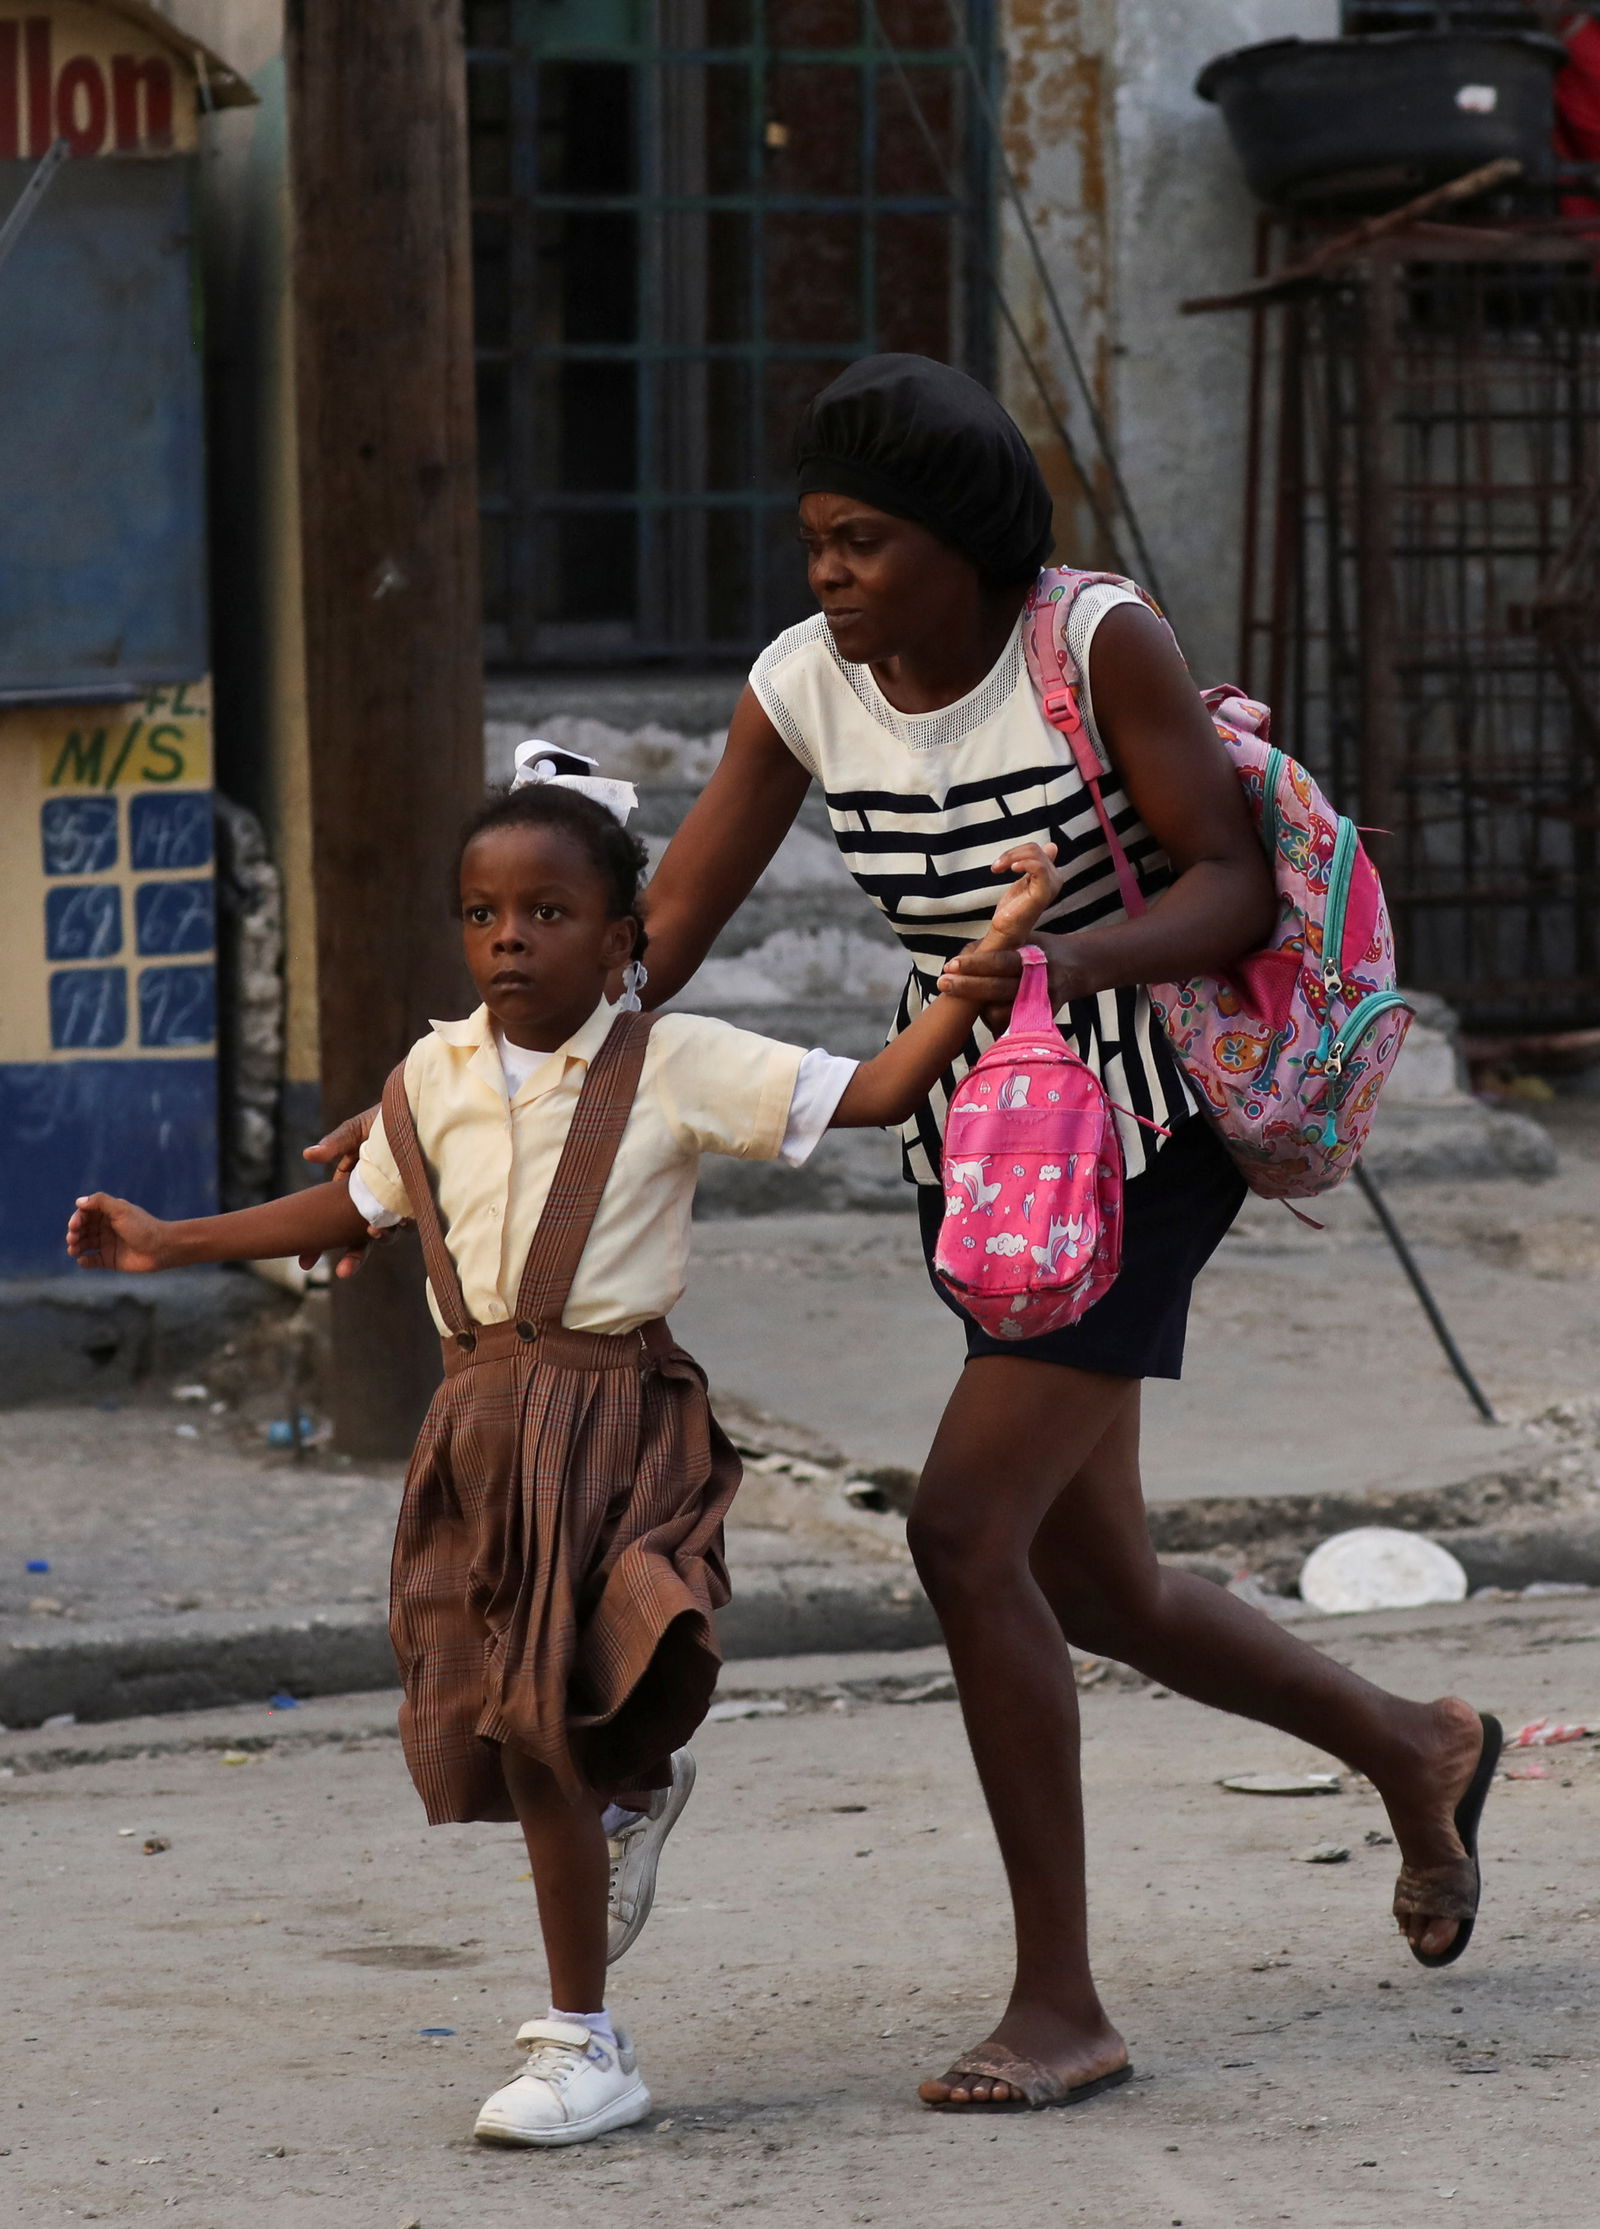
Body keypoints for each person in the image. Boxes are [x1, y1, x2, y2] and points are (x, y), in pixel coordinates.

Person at [306, 356, 1500, 2117]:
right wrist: (451, 1087)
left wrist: (1069, 962)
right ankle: (1420, 1745)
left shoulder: (1093, 645)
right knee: (1090, 1574)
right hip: (983, 1135)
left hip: (1141, 1123)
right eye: (814, 543)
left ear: (963, 543)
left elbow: (1231, 877)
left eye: (862, 542)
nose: (830, 577)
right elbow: (665, 933)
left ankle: (1063, 2000)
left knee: (962, 1530)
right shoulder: (801, 689)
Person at [66, 770, 1065, 2148]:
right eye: (482, 914)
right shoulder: (431, 1077)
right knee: (528, 1712)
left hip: (620, 1422)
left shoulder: (677, 1059)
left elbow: (888, 1090)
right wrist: (169, 1241)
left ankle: (583, 2038)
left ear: (621, 938)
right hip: (479, 1426)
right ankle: (626, 1808)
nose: (509, 940)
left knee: (559, 1708)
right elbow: (355, 1201)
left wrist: (978, 974)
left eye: (548, 910)